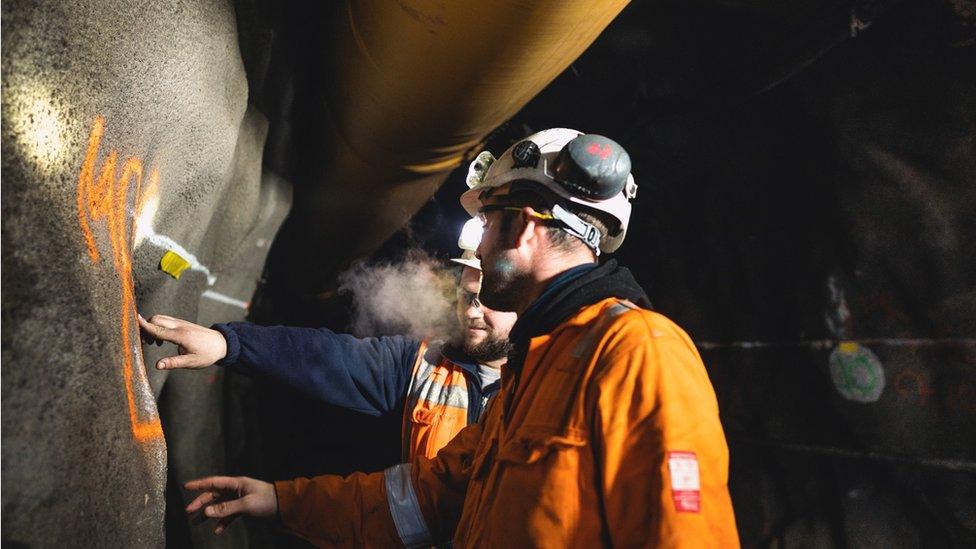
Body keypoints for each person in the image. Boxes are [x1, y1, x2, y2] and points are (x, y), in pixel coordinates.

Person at [183, 128, 740, 547]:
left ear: (521, 227)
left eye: (491, 224)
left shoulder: (636, 351)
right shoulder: (534, 372)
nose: (480, 253)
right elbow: (422, 501)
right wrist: (280, 500)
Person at [139, 226, 517, 463]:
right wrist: (227, 344)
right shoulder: (423, 366)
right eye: (469, 296)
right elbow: (324, 357)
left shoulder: (550, 391)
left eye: (491, 300)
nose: (472, 312)